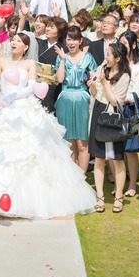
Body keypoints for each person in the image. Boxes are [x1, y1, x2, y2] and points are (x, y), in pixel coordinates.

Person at [0, 32, 96, 219]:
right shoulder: (1, 62)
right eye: (13, 40)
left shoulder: (30, 64)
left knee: (30, 154)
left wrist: (12, 96)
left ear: (26, 47)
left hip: (24, 108)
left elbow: (31, 86)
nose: (14, 43)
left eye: (19, 42)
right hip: (3, 110)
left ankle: (27, 200)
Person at [88, 42, 131, 213]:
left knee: (117, 159)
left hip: (113, 116)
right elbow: (94, 94)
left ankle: (119, 196)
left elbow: (116, 102)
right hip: (99, 111)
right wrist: (92, 85)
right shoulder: (101, 68)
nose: (106, 57)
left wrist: (105, 84)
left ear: (118, 58)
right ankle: (100, 197)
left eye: (109, 54)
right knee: (99, 158)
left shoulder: (125, 76)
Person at [55, 27, 98, 171]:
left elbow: (94, 80)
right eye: (69, 39)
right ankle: (73, 178)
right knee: (69, 142)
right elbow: (60, 79)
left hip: (82, 100)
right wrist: (62, 59)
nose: (71, 42)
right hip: (65, 99)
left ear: (80, 41)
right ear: (65, 41)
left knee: (82, 142)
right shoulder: (61, 57)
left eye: (74, 39)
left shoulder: (88, 57)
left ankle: (82, 177)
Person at [120, 30, 139, 198]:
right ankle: (119, 181)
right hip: (114, 108)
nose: (121, 46)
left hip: (129, 109)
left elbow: (136, 92)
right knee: (116, 149)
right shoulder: (116, 63)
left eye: (125, 43)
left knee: (130, 150)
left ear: (133, 45)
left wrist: (121, 98)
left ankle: (132, 184)